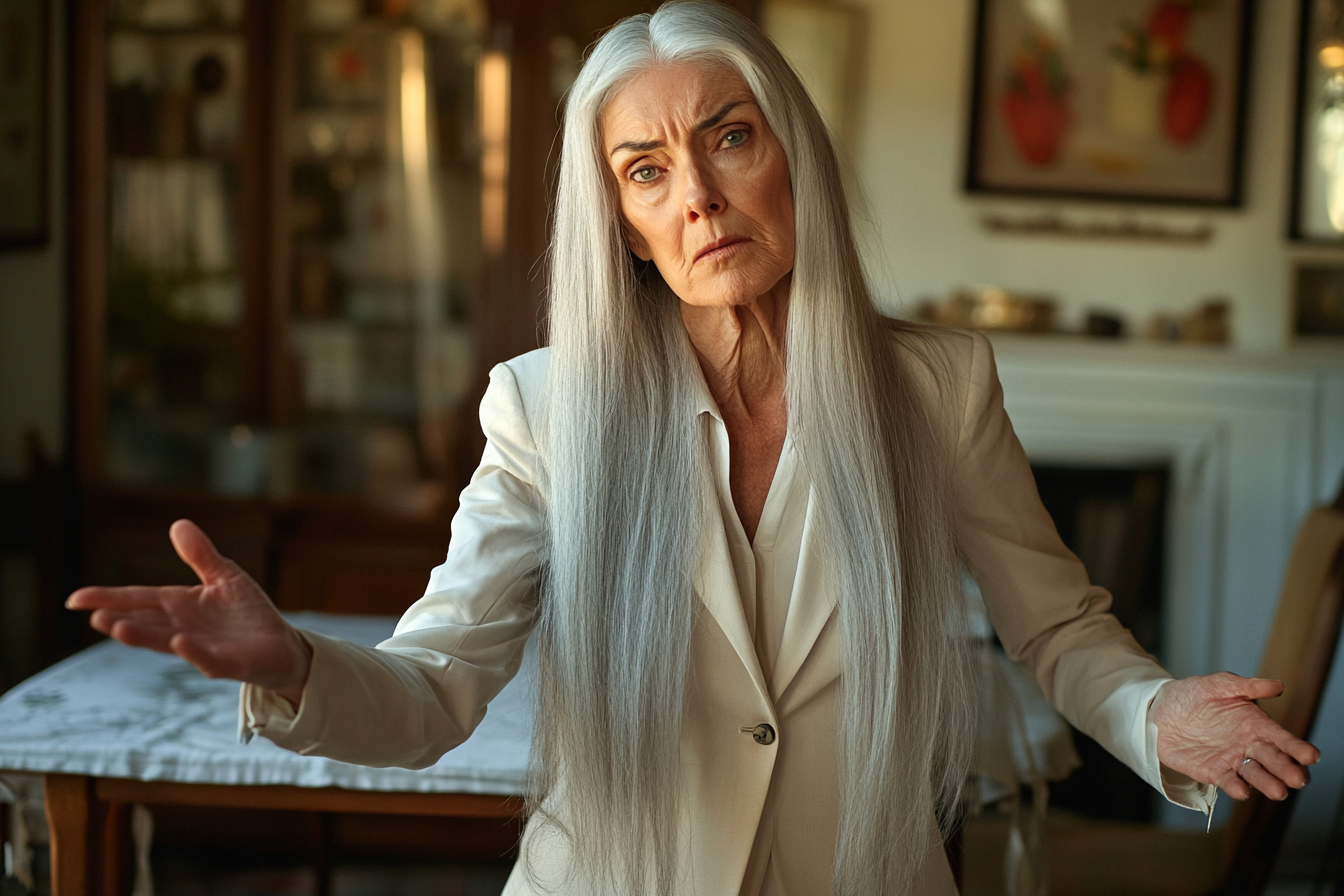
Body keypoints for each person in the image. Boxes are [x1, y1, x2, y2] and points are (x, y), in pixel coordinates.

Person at [67, 4, 1319, 895]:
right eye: (645, 170)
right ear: (622, 223)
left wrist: (1156, 711)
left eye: (728, 138)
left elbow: (1055, 627)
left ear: (795, 157)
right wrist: (292, 660)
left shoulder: (937, 383)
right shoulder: (543, 405)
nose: (699, 198)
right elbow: (436, 682)